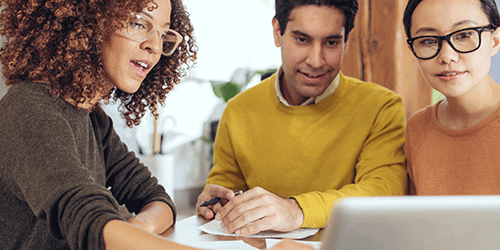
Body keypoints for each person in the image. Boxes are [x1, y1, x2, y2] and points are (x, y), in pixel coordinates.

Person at [196, 0, 408, 237]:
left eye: (331, 42)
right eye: (302, 40)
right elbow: (225, 189)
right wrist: (216, 203)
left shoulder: (380, 107)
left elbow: (383, 191)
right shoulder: (238, 110)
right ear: (278, 32)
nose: (316, 61)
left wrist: (295, 210)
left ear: (346, 40)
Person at [403, 0, 500, 195]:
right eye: (428, 41)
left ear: (495, 41)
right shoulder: (417, 129)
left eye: (464, 35)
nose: (447, 56)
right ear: (413, 50)